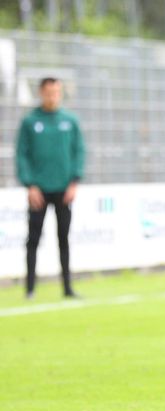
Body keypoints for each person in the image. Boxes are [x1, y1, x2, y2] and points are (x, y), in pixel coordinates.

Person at [16, 77, 85, 299]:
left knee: (63, 238)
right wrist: (30, 184)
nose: (52, 96)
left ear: (61, 93)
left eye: (56, 92)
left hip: (64, 189)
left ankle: (67, 287)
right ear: (41, 93)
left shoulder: (70, 121)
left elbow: (79, 152)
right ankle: (30, 288)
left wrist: (74, 181)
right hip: (39, 189)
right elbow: (21, 155)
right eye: (48, 92)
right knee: (33, 239)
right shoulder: (30, 122)